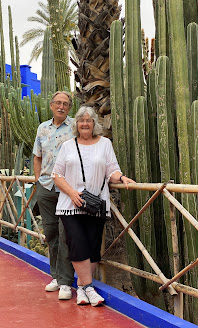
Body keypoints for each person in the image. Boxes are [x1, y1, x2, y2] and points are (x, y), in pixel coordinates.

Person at [52, 106, 135, 306]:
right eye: (81, 120)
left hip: (95, 203)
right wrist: (72, 193)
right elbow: (56, 175)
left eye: (89, 120)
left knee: (92, 247)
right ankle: (89, 287)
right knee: (77, 243)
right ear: (76, 124)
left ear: (94, 124)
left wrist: (122, 178)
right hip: (70, 204)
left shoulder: (105, 144)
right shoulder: (67, 146)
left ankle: (81, 289)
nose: (85, 124)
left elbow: (112, 170)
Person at [33, 91, 75, 300]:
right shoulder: (42, 128)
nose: (61, 106)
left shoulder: (76, 126)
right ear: (51, 106)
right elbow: (37, 156)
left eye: (65, 104)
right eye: (58, 103)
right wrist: (38, 179)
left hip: (67, 189)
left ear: (69, 107)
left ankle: (66, 282)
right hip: (46, 188)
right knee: (51, 233)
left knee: (66, 234)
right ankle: (56, 277)